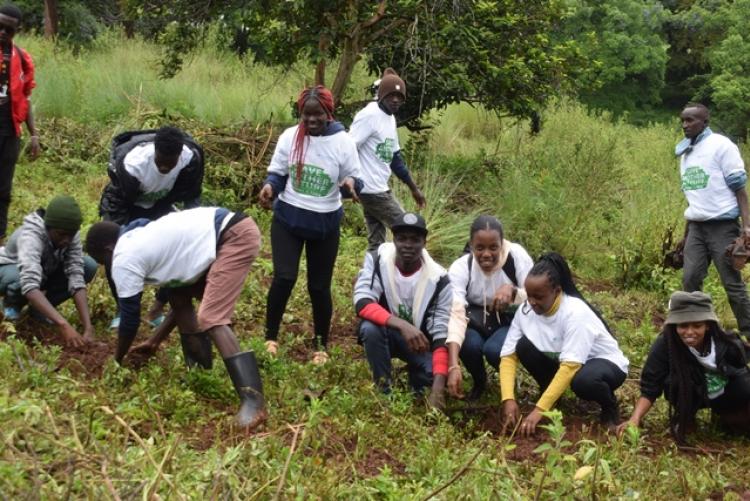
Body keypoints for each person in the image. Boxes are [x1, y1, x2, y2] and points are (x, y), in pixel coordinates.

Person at [85, 207, 266, 429]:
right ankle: (200, 373)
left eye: (103, 261)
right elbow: (180, 300)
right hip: (225, 230)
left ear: (108, 248)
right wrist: (154, 341)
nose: (107, 268)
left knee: (212, 318)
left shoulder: (124, 256)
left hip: (232, 236)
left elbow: (130, 319)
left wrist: (117, 360)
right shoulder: (137, 235)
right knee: (178, 296)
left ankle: (253, 402)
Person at [259, 85, 362, 364]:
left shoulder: (343, 142)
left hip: (324, 224)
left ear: (329, 113)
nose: (312, 120)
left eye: (318, 115)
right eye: (306, 115)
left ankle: (320, 346)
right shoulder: (290, 137)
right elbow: (278, 174)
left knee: (319, 287)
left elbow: (354, 180)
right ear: (300, 113)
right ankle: (270, 337)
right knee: (284, 277)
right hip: (288, 219)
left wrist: (350, 186)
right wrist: (269, 187)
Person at [499, 253, 629, 435]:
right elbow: (508, 356)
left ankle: (609, 408)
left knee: (583, 381)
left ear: (557, 291)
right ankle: (551, 396)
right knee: (523, 346)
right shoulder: (526, 310)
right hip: (567, 360)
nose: (532, 302)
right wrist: (508, 399)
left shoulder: (575, 313)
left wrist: (539, 410)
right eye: (529, 296)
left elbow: (570, 367)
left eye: (539, 297)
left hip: (604, 363)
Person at [98, 126, 204, 330]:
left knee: (179, 252)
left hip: (159, 204)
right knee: (116, 251)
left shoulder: (189, 159)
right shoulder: (133, 164)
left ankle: (157, 307)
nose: (164, 168)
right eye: (160, 161)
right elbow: (120, 201)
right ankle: (123, 309)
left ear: (179, 155)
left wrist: (192, 226)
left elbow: (191, 196)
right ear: (154, 150)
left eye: (169, 163)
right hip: (126, 203)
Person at [617, 291, 750, 443]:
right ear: (674, 326)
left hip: (726, 395)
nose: (689, 332)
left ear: (707, 326)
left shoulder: (726, 343)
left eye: (697, 326)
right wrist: (635, 419)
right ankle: (686, 416)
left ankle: (726, 416)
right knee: (675, 381)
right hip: (692, 395)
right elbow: (650, 386)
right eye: (683, 326)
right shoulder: (666, 345)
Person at [353, 212, 451, 408]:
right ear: (393, 239)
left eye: (415, 240)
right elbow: (362, 301)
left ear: (424, 242)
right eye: (402, 238)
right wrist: (402, 325)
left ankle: (415, 377)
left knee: (431, 380)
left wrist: (438, 388)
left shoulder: (439, 279)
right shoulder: (377, 259)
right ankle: (384, 391)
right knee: (370, 329)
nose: (408, 245)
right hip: (386, 333)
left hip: (419, 343)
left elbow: (441, 333)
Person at [676, 103, 750, 339]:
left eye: (691, 120)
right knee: (690, 279)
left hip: (723, 226)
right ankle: (702, 331)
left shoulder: (721, 146)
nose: (685, 125)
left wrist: (747, 229)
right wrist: (686, 235)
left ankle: (748, 332)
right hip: (697, 226)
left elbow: (740, 190)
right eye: (683, 121)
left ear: (705, 122)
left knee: (732, 284)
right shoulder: (686, 152)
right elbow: (694, 199)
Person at [445, 215, 534, 400]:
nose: (486, 254)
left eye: (493, 247)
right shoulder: (461, 268)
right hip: (477, 321)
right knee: (468, 345)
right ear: (471, 246)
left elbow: (537, 295)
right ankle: (480, 382)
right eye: (480, 248)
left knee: (494, 350)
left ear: (502, 244)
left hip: (511, 320)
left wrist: (514, 292)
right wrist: (453, 365)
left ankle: (508, 386)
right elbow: (456, 314)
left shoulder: (516, 257)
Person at [0, 195, 96, 347]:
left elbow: (76, 275)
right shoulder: (31, 235)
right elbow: (29, 284)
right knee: (20, 280)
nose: (66, 240)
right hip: (9, 270)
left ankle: (39, 311)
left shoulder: (70, 232)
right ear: (48, 227)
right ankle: (11, 305)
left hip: (43, 271)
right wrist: (63, 324)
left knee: (88, 266)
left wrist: (88, 326)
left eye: (70, 236)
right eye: (61, 235)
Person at [349, 67, 425, 252]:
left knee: (377, 243)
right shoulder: (369, 116)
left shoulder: (389, 118)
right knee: (409, 229)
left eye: (400, 98)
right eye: (391, 96)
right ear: (381, 95)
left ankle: (371, 275)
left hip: (379, 186)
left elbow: (395, 158)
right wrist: (349, 181)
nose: (396, 100)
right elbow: (348, 147)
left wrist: (413, 188)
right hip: (370, 188)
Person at [0, 3, 40, 245]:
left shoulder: (22, 59)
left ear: (17, 30)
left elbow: (25, 99)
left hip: (9, 131)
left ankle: (1, 237)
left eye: (9, 30)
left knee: (3, 189)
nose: (3, 32)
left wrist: (34, 134)